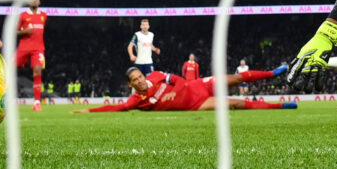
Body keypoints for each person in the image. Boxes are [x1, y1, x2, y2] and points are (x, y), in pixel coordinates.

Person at [75, 65, 296, 113]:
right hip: (197, 104)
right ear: (131, 84)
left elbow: (179, 80)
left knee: (236, 78)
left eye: (140, 76)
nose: (141, 80)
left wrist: (174, 90)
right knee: (236, 103)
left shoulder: (156, 75)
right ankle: (281, 106)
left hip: (198, 85)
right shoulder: (137, 102)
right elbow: (118, 107)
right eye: (135, 80)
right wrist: (89, 110)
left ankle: (273, 73)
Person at [17, 0, 47, 111]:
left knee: (38, 71)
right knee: (9, 68)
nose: (34, 1)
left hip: (38, 48)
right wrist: (24, 32)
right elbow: (15, 31)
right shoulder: (23, 15)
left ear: (39, 2)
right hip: (24, 47)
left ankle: (37, 102)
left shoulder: (44, 15)